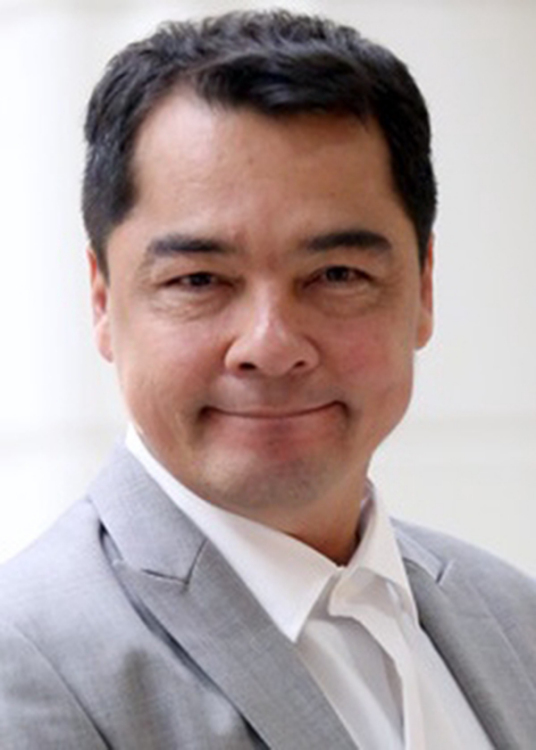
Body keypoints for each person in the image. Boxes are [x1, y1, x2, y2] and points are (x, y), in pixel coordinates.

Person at [0, 9, 534, 749]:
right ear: (102, 300)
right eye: (198, 280)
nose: (271, 346)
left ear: (424, 288)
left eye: (337, 274)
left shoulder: (513, 618)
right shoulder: (26, 667)